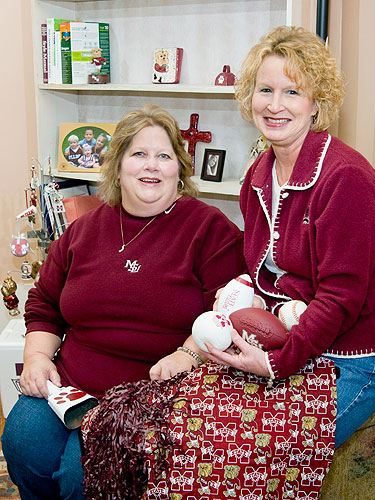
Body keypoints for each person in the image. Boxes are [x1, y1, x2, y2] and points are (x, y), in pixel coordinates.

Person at [1, 104, 245, 500]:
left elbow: (228, 315)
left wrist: (189, 355)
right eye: (139, 154)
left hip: (148, 395)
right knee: (23, 443)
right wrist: (36, 358)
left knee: (79, 477)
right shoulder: (83, 230)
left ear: (179, 170)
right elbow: (44, 304)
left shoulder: (209, 229)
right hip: (69, 385)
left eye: (164, 156)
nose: (152, 166)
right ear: (117, 167)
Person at [204, 25, 375, 451]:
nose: (275, 106)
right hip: (290, 336)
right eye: (265, 90)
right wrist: (243, 290)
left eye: (292, 92)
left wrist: (276, 363)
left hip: (350, 359)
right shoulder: (258, 176)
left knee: (258, 452)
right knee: (201, 427)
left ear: (317, 104)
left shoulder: (347, 178)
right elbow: (266, 272)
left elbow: (342, 297)